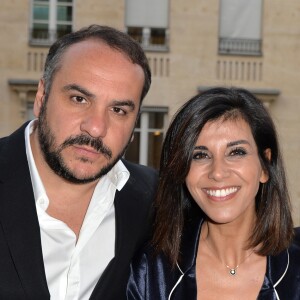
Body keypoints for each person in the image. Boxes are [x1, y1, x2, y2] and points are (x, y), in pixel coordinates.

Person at [0, 24, 158, 300]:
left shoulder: (155, 200)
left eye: (118, 110)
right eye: (79, 98)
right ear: (42, 96)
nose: (96, 127)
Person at [127, 87, 300, 299]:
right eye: (200, 155)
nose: (217, 173)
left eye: (236, 152)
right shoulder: (150, 273)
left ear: (265, 166)